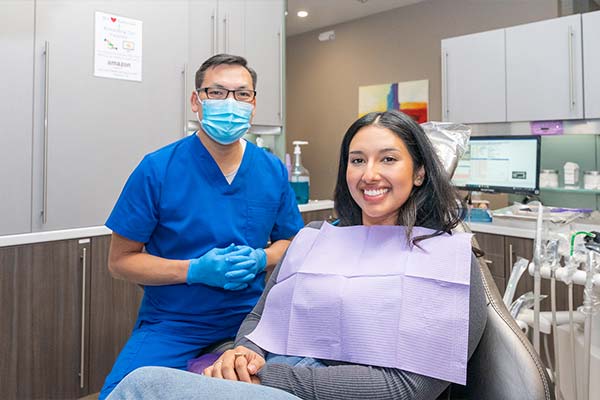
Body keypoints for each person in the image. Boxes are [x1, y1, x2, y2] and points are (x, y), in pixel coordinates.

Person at [107, 110, 487, 400]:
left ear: (419, 172)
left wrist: (264, 376)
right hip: (274, 377)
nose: (369, 174)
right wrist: (243, 353)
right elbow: (263, 317)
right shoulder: (317, 238)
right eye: (357, 160)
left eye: (388, 159)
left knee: (144, 385)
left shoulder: (444, 259)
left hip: (310, 390)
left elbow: (408, 387)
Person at [99, 54, 304, 399]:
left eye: (242, 95)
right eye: (217, 92)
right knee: (121, 393)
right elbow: (121, 261)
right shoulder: (157, 169)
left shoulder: (271, 169)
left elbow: (290, 240)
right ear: (196, 101)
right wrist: (195, 270)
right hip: (175, 322)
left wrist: (261, 259)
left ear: (253, 105)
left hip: (251, 320)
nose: (231, 103)